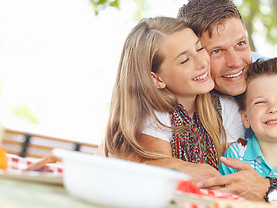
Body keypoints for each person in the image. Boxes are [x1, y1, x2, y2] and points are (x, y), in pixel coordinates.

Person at [174, 0, 277, 203]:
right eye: (216, 51)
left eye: (241, 44)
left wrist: (268, 187)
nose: (235, 62)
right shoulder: (176, 84)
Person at [100, 16, 245, 175]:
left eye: (199, 48)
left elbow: (230, 171)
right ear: (156, 78)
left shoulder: (227, 109)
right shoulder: (153, 117)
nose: (202, 62)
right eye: (184, 60)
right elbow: (160, 174)